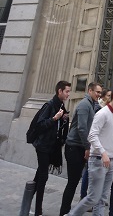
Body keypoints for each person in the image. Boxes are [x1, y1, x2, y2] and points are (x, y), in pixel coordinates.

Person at [63, 85, 113, 216]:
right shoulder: (102, 114)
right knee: (93, 197)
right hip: (98, 160)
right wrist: (103, 153)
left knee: (102, 199)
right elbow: (92, 135)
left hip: (110, 162)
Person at [59, 82, 102, 216]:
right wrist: (87, 147)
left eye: (100, 92)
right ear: (90, 90)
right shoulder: (84, 105)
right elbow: (82, 128)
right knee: (72, 182)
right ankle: (64, 212)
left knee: (74, 181)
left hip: (78, 147)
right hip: (74, 147)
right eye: (97, 92)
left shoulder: (91, 105)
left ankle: (66, 212)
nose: (99, 95)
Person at [32, 80, 71, 216]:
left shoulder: (60, 105)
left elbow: (58, 127)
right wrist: (55, 118)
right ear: (59, 91)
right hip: (42, 145)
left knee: (39, 176)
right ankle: (38, 210)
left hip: (51, 146)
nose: (68, 94)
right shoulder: (49, 105)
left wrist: (63, 119)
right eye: (66, 91)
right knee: (43, 176)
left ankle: (28, 199)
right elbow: (40, 124)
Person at [80, 88, 109, 200]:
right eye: (108, 96)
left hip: (100, 146)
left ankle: (94, 198)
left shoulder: (106, 110)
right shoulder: (98, 109)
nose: (110, 98)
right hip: (95, 146)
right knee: (88, 172)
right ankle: (85, 197)